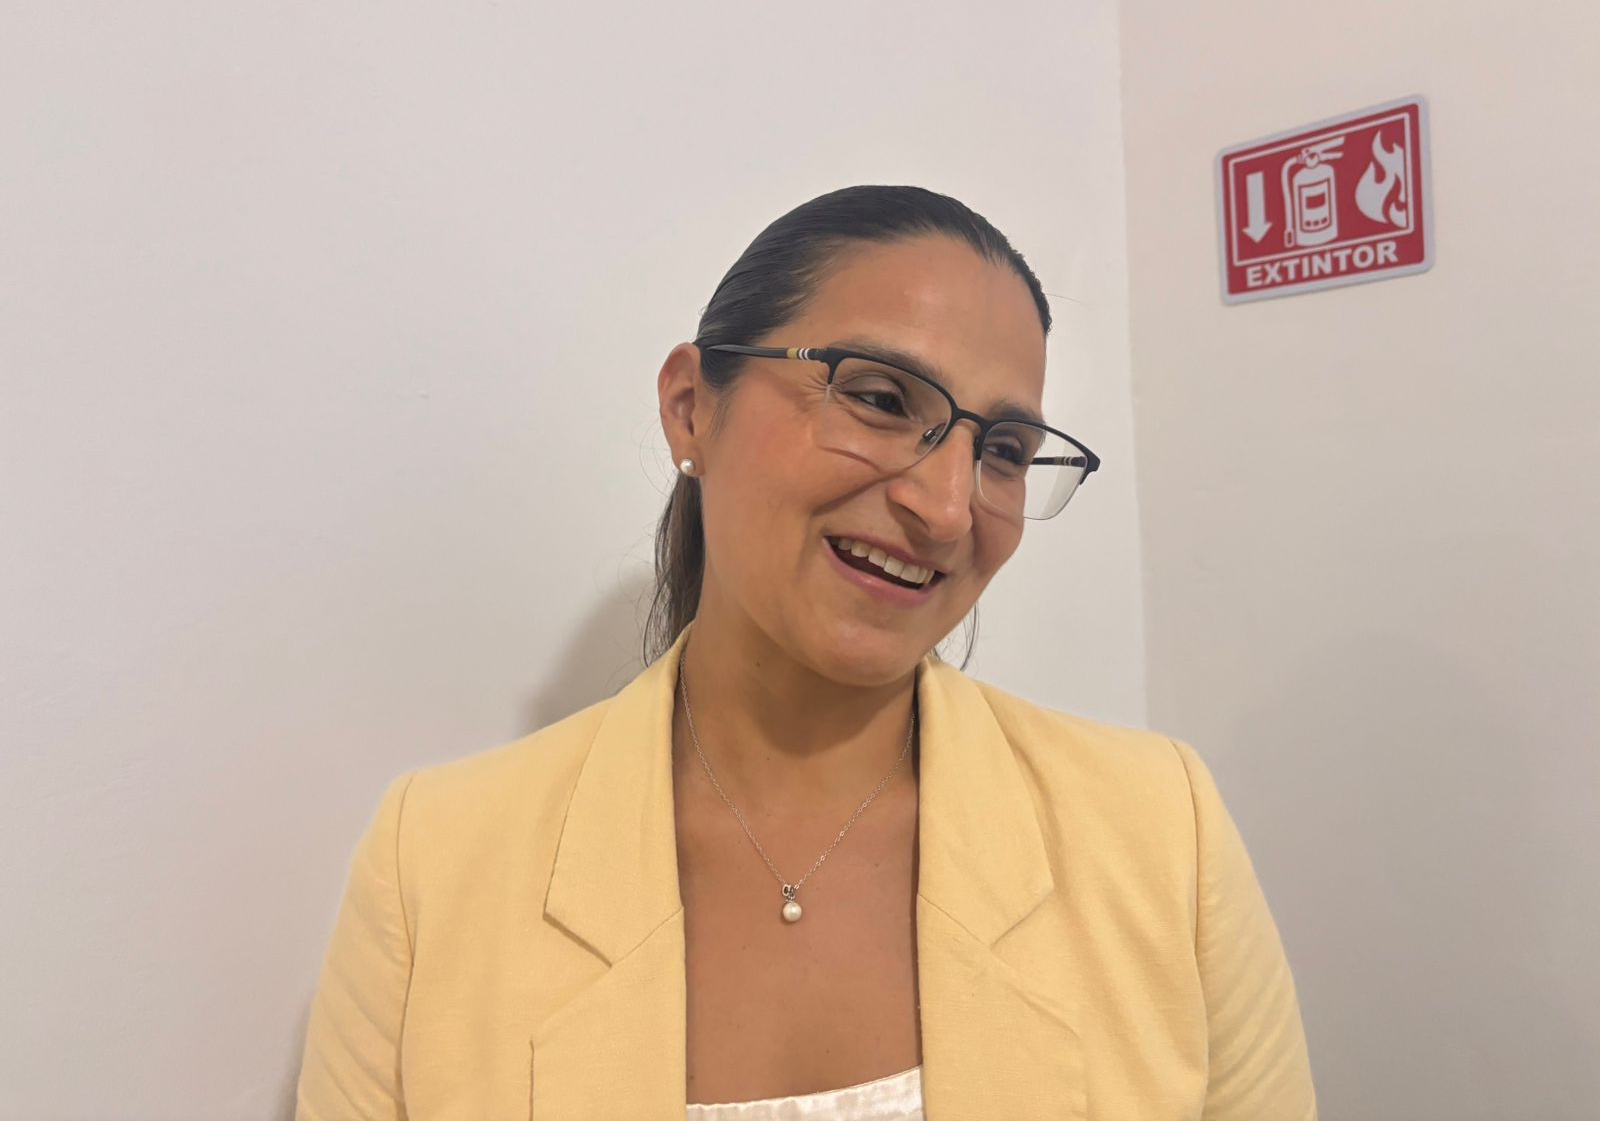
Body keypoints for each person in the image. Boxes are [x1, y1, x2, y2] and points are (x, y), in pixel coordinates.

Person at [295, 185, 1317, 1119]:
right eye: (880, 398)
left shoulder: (1157, 833)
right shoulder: (435, 867)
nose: (947, 507)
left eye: (1001, 451)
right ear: (692, 407)